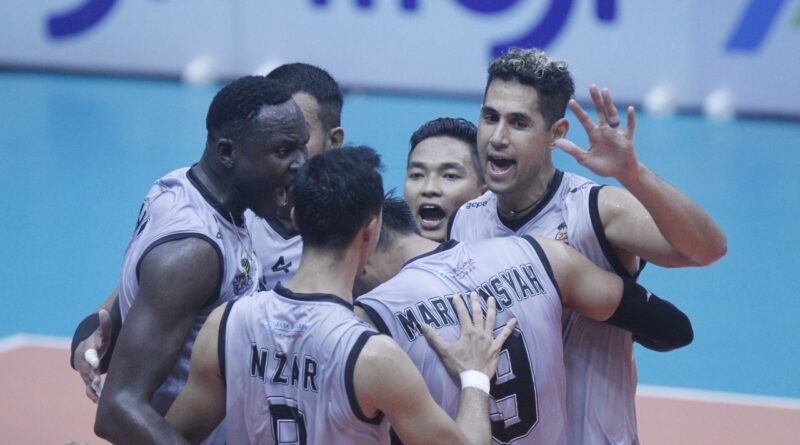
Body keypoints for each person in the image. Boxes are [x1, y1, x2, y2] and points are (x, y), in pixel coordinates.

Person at [448, 47, 727, 444]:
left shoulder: (595, 210)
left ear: (557, 133)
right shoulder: (466, 221)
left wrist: (633, 175)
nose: (497, 137)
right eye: (490, 117)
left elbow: (707, 249)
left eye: (519, 123)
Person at [164, 147, 516, 444]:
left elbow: (168, 437)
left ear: (296, 218)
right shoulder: (374, 356)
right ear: (372, 229)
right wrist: (474, 378)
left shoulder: (225, 325)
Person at [70, 62, 345, 402]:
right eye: (279, 144)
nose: (297, 160)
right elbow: (144, 294)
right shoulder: (217, 221)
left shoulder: (352, 231)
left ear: (334, 141)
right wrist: (88, 340)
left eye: (300, 138)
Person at [354, 197, 693, 444]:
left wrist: (474, 378)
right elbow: (673, 328)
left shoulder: (371, 319)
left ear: (365, 243)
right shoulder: (538, 255)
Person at [90, 76, 309, 444]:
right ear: (227, 152)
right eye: (283, 150)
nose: (300, 163)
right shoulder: (195, 253)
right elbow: (117, 409)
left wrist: (88, 334)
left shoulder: (181, 185)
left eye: (302, 146)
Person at [249, 62, 346, 289]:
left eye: (298, 129)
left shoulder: (358, 232)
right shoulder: (226, 218)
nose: (279, 143)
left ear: (333, 141)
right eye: (268, 128)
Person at [404, 117, 487, 242]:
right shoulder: (376, 251)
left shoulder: (507, 252)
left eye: (450, 176)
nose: (429, 189)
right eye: (417, 175)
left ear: (485, 193)